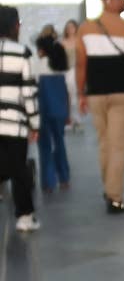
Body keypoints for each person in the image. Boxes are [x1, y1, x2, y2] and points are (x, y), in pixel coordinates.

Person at [76, 0, 124, 213]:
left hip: (95, 93)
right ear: (109, 0)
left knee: (105, 143)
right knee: (118, 146)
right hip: (123, 92)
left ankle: (109, 188)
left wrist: (81, 93)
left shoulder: (85, 28)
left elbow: (81, 64)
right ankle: (115, 197)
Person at [0, 5, 41, 231]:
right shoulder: (22, 52)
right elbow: (28, 92)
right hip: (14, 124)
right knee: (18, 171)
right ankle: (25, 217)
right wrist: (35, 123)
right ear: (14, 26)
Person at [35, 35, 71, 192]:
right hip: (60, 109)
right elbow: (68, 92)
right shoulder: (61, 66)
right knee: (60, 143)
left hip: (43, 110)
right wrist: (68, 113)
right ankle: (64, 178)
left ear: (42, 50)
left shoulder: (38, 65)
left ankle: (48, 182)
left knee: (45, 146)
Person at [62, 18, 84, 130]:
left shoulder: (80, 41)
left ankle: (77, 119)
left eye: (72, 27)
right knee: (68, 96)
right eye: (68, 27)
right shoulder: (63, 42)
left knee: (76, 94)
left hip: (77, 71)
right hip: (66, 71)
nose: (70, 29)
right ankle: (69, 119)